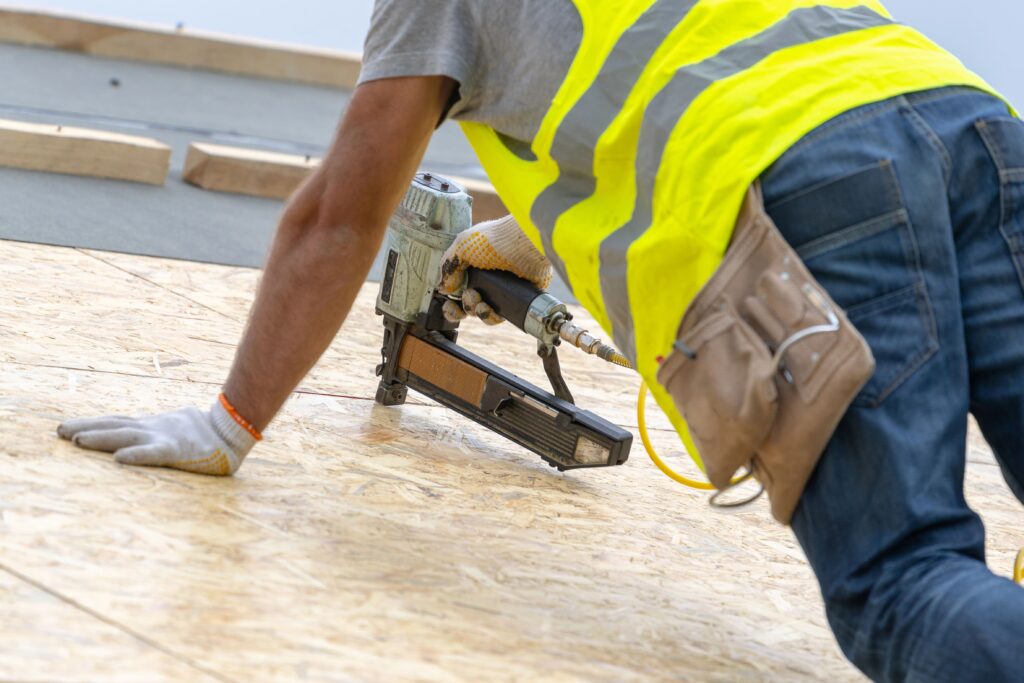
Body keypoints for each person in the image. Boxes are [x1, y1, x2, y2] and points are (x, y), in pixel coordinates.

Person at [57, 1, 1024, 680]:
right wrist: (533, 235)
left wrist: (231, 422)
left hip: (812, 185)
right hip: (977, 129)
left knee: (902, 581)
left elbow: (340, 217)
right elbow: (679, 71)